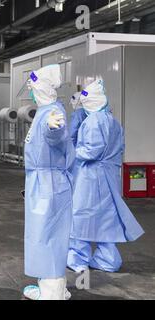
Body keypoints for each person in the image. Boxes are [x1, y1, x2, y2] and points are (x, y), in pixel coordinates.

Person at [67, 80, 144, 273]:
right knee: (106, 218)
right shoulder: (113, 121)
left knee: (81, 215)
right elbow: (120, 148)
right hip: (110, 175)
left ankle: (78, 259)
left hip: (91, 177)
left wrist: (69, 152)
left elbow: (91, 151)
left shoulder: (93, 121)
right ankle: (107, 260)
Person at [22, 65, 75, 300]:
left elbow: (56, 134)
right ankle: (52, 287)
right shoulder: (45, 110)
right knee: (42, 234)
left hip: (49, 184)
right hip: (42, 182)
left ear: (41, 88)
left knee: (48, 235)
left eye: (33, 87)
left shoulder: (52, 112)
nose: (31, 92)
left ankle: (52, 293)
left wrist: (55, 128)